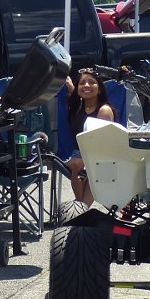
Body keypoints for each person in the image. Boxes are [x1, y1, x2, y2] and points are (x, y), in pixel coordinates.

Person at [65, 68, 115, 205]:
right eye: (82, 83)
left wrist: (88, 161)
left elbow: (102, 144)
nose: (86, 86)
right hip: (79, 155)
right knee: (77, 163)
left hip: (100, 156)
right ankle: (81, 207)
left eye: (91, 82)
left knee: (78, 164)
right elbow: (72, 95)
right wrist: (71, 88)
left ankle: (81, 206)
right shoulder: (79, 106)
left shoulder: (104, 110)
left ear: (99, 89)